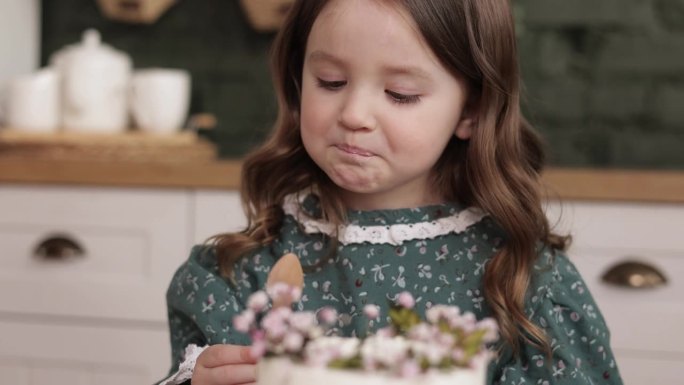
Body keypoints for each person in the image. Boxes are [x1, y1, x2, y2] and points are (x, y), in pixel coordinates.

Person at [159, 0, 623, 384]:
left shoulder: (522, 282)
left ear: (471, 110)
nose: (355, 113)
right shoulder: (241, 275)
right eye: (331, 82)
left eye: (400, 93)